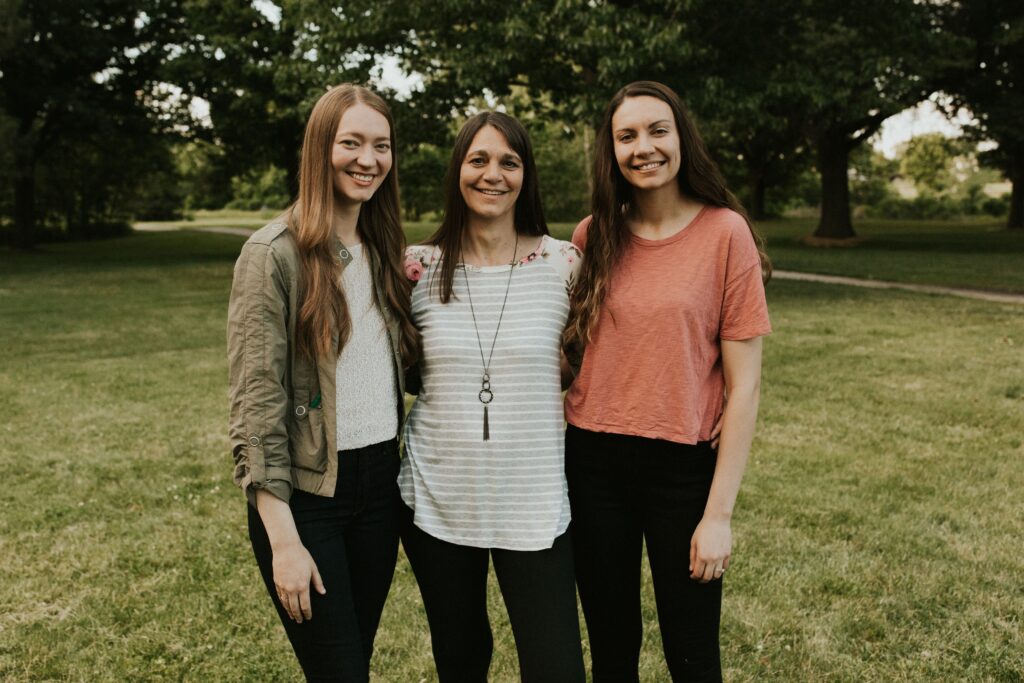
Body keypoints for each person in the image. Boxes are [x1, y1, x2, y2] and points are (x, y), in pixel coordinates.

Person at [562, 80, 772, 682]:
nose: (643, 147)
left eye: (658, 130)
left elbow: (746, 387)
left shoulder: (726, 234)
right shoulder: (592, 235)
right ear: (611, 149)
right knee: (611, 645)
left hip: (683, 468)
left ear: (681, 137)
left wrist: (719, 515)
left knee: (693, 650)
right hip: (593, 463)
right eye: (626, 135)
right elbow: (572, 356)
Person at [226, 84, 418, 682]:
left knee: (352, 660)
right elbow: (257, 408)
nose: (368, 159)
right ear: (320, 149)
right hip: (309, 500)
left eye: (381, 146)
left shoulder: (386, 250)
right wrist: (283, 539)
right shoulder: (273, 254)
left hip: (380, 491)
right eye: (351, 143)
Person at [399, 111, 586, 682]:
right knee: (460, 659)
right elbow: (406, 372)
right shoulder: (416, 268)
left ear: (525, 176)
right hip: (437, 497)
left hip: (533, 502)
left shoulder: (563, 263)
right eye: (478, 159)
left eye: (509, 161)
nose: (493, 174)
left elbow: (579, 367)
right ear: (458, 169)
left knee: (556, 667)